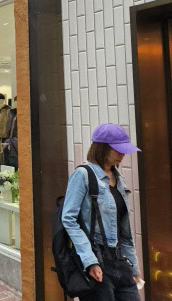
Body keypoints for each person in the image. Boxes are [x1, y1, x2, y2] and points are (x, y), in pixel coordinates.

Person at [62, 123, 143, 301]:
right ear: (102, 148)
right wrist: (89, 260)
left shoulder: (119, 180)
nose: (122, 153)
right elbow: (68, 219)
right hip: (97, 261)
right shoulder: (83, 175)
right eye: (117, 148)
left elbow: (124, 230)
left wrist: (134, 268)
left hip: (120, 261)